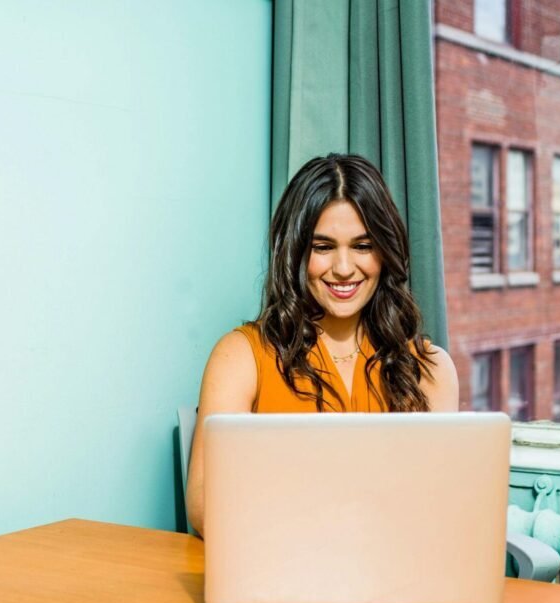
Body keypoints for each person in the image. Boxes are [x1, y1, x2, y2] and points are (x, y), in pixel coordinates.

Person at [186, 153, 459, 535]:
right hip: (279, 571)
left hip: (396, 580)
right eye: (323, 247)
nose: (344, 268)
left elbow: (440, 509)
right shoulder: (240, 357)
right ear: (296, 252)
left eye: (363, 246)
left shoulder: (431, 368)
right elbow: (204, 509)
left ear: (385, 251)